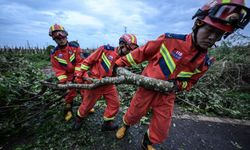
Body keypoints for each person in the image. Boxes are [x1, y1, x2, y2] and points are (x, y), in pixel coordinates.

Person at [114, 0, 250, 149]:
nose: (212, 37)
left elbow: (191, 82)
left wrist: (178, 86)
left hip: (168, 94)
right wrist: (120, 64)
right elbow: (141, 52)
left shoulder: (205, 62)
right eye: (210, 31)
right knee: (135, 111)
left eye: (218, 35)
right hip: (146, 87)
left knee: (162, 125)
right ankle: (126, 125)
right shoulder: (169, 40)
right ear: (198, 24)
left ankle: (147, 142)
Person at [73, 34, 139, 131]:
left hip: (109, 84)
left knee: (115, 103)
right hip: (95, 82)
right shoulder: (105, 50)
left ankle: (107, 123)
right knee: (87, 104)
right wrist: (79, 75)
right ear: (122, 45)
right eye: (128, 49)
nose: (129, 52)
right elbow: (88, 61)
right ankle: (79, 119)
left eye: (131, 51)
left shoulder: (124, 59)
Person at [49, 24, 94, 121]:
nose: (61, 39)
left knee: (85, 88)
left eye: (63, 36)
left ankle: (86, 107)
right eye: (58, 38)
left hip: (80, 71)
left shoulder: (74, 47)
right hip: (68, 75)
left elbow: (80, 61)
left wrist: (78, 75)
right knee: (70, 92)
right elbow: (58, 69)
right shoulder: (55, 53)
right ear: (54, 39)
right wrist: (64, 81)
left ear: (66, 35)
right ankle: (68, 110)